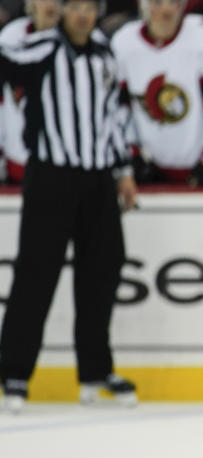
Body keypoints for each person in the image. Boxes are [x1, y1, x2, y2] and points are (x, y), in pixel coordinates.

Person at [0, 0, 138, 414]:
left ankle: (94, 374)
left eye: (89, 7)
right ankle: (14, 374)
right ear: (62, 11)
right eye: (74, 6)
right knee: (36, 273)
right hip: (51, 178)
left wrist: (124, 171)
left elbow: (113, 117)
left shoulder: (103, 52)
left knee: (103, 268)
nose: (82, 14)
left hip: (98, 179)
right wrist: (30, 24)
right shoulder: (42, 47)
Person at [111, 0, 203, 185]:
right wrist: (133, 155)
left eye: (173, 2)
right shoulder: (124, 42)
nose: (167, 9)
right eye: (158, 2)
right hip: (154, 173)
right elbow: (120, 109)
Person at [0, 0, 61, 184]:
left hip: (67, 164)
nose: (50, 5)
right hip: (19, 162)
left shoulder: (81, 43)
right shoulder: (10, 38)